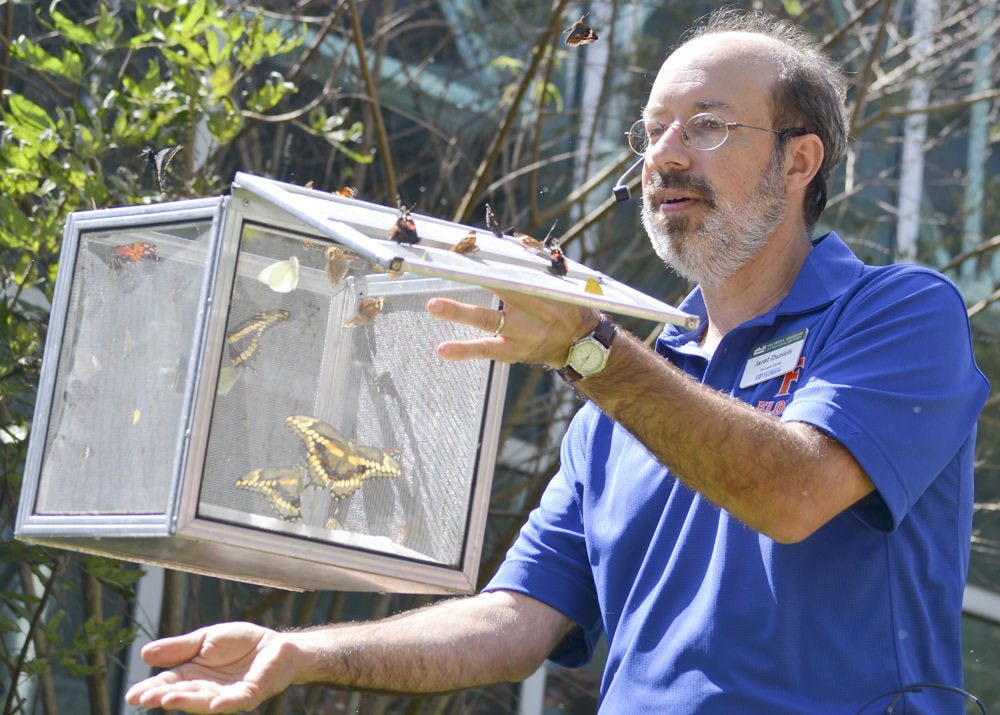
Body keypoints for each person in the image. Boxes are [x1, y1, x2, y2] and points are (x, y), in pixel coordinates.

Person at [126, 8, 989, 714]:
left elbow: (791, 493)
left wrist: (589, 352)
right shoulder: (618, 406)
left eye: (709, 126)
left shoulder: (898, 311)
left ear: (801, 159)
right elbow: (516, 618)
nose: (665, 156)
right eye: (651, 132)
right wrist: (299, 650)